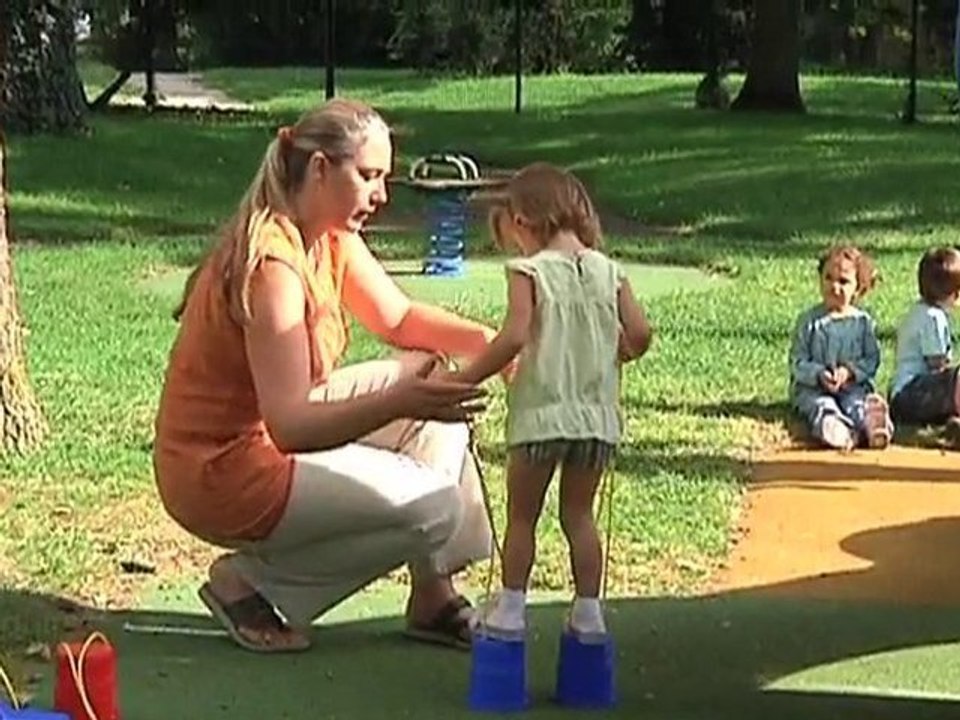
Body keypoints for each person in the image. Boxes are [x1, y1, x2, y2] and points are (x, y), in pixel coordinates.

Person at [152, 98, 499, 654]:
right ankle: (248, 585)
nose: (382, 195)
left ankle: (433, 596)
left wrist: (492, 343)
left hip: (267, 442)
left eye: (383, 178)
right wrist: (399, 401)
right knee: (437, 506)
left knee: (432, 371)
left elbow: (399, 318)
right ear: (319, 169)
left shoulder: (329, 234)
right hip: (218, 474)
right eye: (368, 176)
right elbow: (290, 426)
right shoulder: (272, 268)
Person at [441, 162, 653, 642]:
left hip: (541, 416)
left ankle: (512, 608)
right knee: (579, 515)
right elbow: (639, 334)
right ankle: (588, 612)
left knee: (523, 516)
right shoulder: (609, 271)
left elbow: (514, 336)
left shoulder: (529, 271)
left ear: (522, 220)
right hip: (596, 421)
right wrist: (615, 351)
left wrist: (465, 378)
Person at [788, 245, 892, 451]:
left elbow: (872, 359)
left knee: (857, 403)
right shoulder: (809, 321)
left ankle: (873, 425)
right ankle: (835, 429)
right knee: (820, 406)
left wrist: (850, 372)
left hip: (852, 386)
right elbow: (796, 361)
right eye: (828, 278)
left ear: (858, 288)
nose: (834, 286)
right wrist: (818, 374)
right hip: (813, 388)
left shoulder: (862, 322)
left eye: (843, 281)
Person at [889, 246, 960, 446]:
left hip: (905, 394)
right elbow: (937, 365)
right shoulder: (933, 318)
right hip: (910, 394)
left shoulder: (919, 311)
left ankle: (952, 423)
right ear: (955, 293)